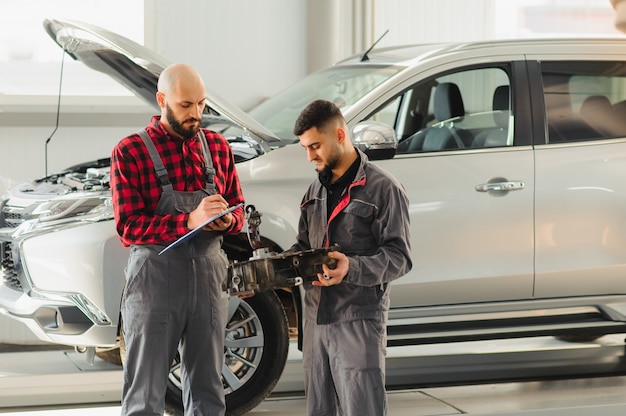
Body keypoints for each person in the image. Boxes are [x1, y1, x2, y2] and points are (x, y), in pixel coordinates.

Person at [110, 63, 245, 416]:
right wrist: (188, 220)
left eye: (201, 104)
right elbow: (129, 227)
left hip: (209, 281)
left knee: (208, 391)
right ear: (162, 100)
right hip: (156, 281)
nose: (196, 114)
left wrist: (228, 220)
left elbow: (239, 209)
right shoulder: (130, 151)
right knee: (145, 393)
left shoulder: (217, 146)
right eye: (186, 105)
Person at [290, 99, 412, 416]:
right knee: (321, 409)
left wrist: (351, 268)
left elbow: (400, 257)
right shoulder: (313, 193)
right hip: (316, 321)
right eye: (305, 148)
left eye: (315, 146)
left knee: (363, 409)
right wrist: (266, 271)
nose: (309, 156)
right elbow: (303, 247)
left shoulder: (384, 189)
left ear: (340, 136)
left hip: (358, 320)